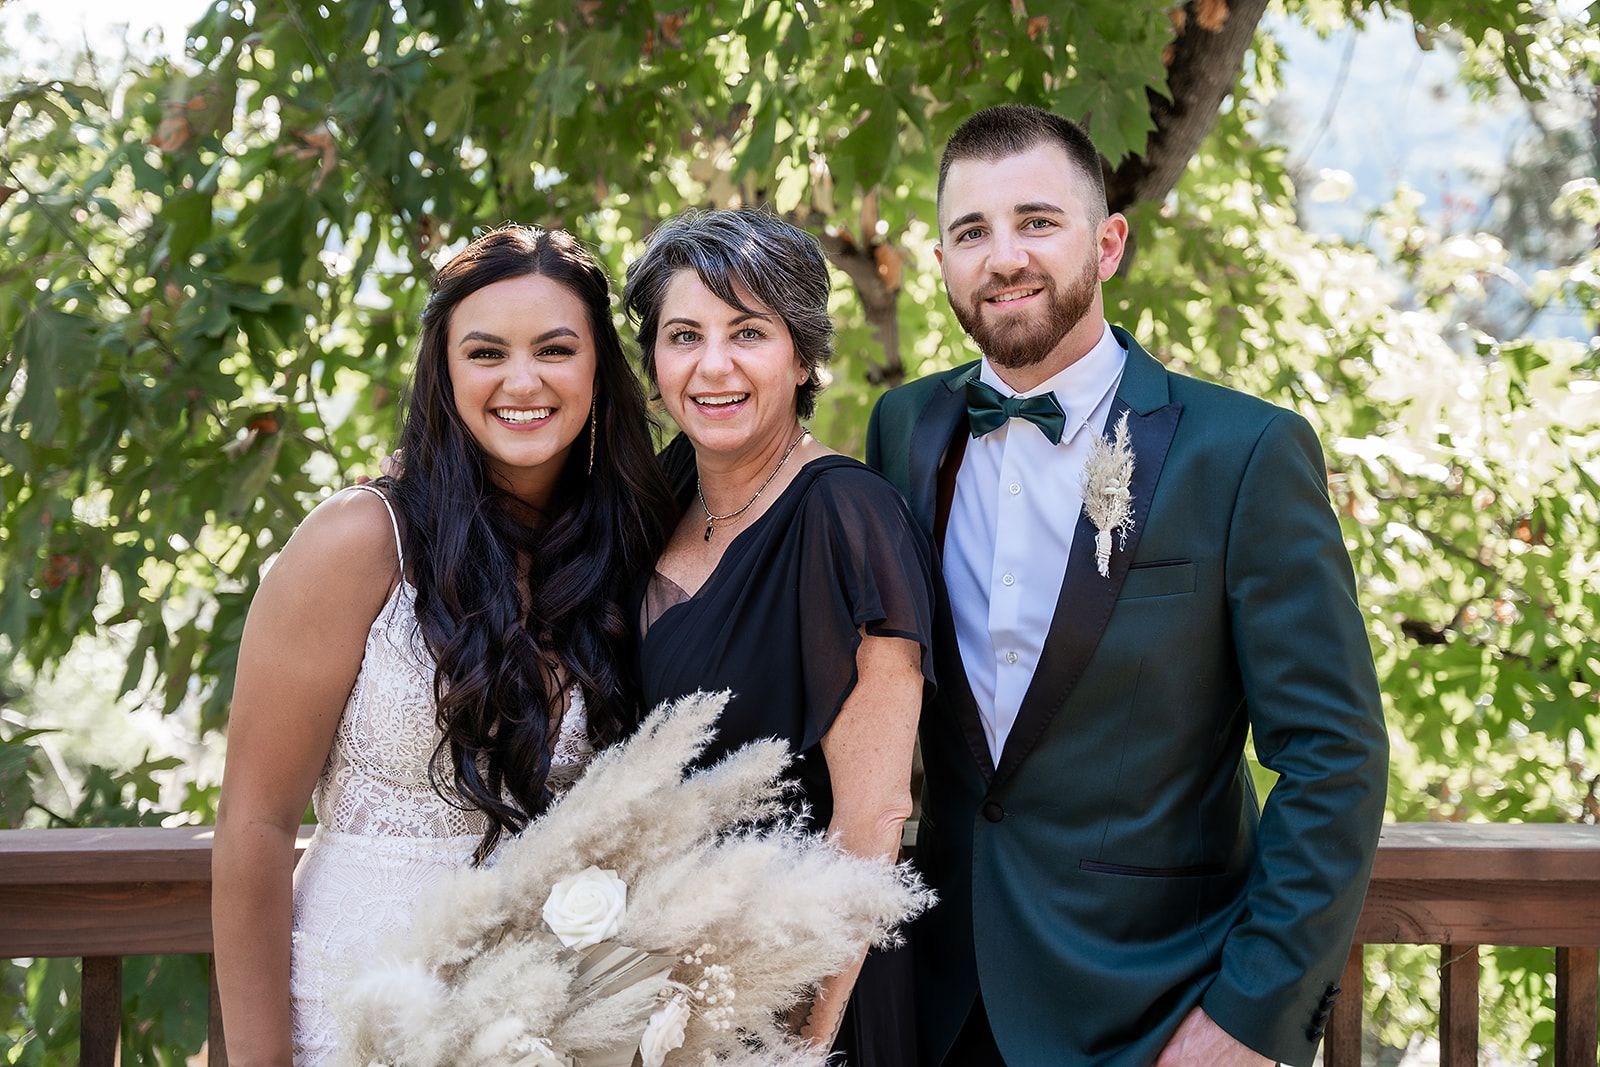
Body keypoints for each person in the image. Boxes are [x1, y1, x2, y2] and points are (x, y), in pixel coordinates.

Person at [865, 105, 1389, 1067]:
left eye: (1037, 221)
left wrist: (1249, 1018)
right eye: (970, 231)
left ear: (1107, 244)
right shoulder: (905, 427)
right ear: (939, 259)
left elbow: (1334, 753)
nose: (1003, 255)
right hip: (937, 1003)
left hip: (1156, 1013)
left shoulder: (1243, 453)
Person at [212, 225, 673, 1065]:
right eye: (486, 352)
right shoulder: (359, 540)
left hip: (539, 1024)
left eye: (555, 349)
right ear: (446, 371)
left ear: (598, 369)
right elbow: (255, 822)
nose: (522, 380)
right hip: (352, 1016)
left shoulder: (629, 548)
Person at [621, 208, 936, 1067]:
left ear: (801, 356)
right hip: (657, 997)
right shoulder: (657, 496)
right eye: (684, 334)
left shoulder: (846, 515)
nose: (712, 365)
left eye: (748, 332)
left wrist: (803, 1041)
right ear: (653, 360)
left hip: (802, 997)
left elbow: (872, 820)